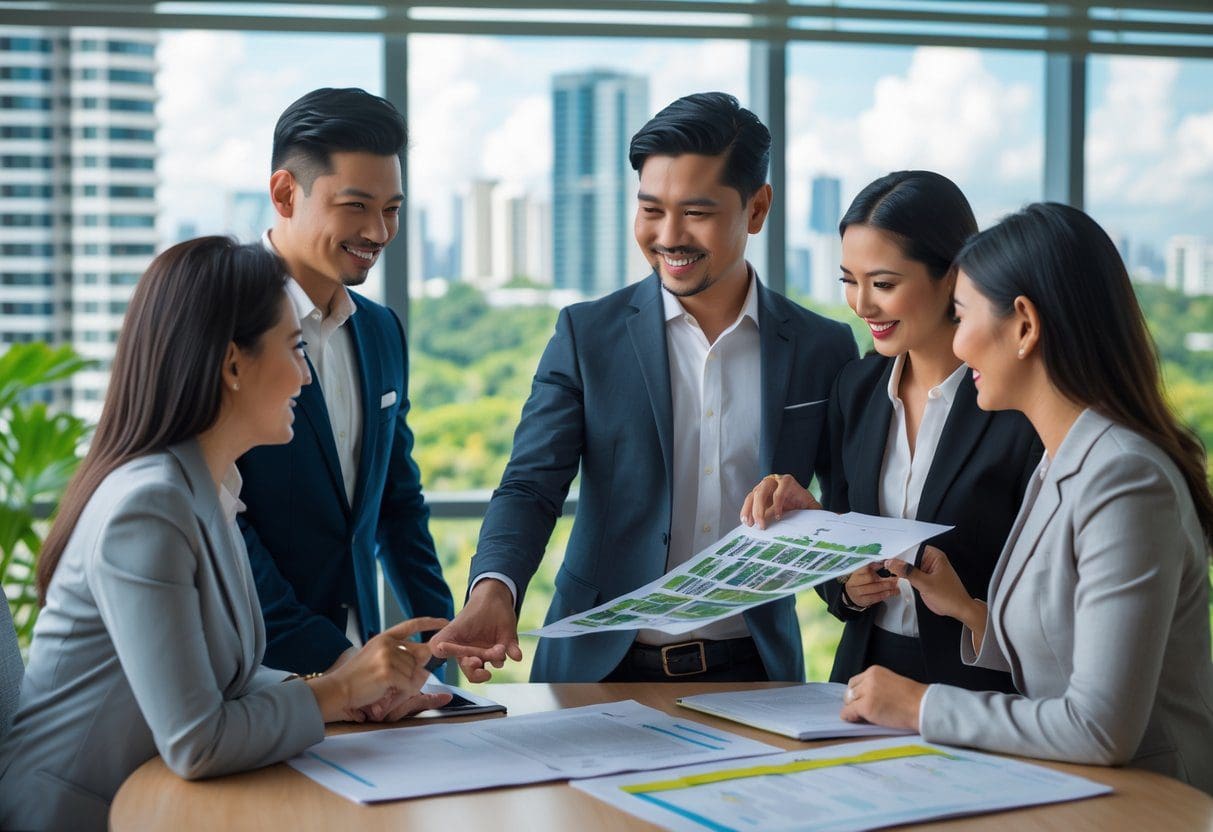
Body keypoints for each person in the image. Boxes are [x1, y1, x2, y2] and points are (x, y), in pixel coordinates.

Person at [0, 238, 451, 832]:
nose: (305, 373)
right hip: (79, 814)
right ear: (233, 365)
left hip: (158, 798)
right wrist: (337, 691)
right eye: (294, 348)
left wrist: (346, 690)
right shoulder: (149, 507)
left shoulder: (209, 486)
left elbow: (225, 680)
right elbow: (197, 741)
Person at [431, 92, 857, 683]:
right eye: (651, 209)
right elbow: (531, 485)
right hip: (594, 673)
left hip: (754, 673)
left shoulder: (823, 347)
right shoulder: (586, 335)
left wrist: (850, 582)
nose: (668, 236)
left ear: (757, 209)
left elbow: (843, 517)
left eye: (698, 213)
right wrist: (494, 589)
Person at [838, 203, 1213, 795]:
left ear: (1024, 326)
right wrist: (964, 607)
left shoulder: (1124, 478)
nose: (956, 346)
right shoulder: (1060, 460)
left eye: (961, 317)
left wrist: (920, 706)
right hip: (1066, 793)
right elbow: (1058, 658)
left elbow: (1098, 727)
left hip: (1147, 804)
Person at [741, 171, 1040, 692]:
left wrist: (970, 607)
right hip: (865, 677)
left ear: (953, 277)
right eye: (849, 281)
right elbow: (846, 546)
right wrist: (843, 577)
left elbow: (1049, 598)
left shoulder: (1013, 402)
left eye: (882, 284)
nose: (861, 305)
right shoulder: (856, 388)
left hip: (976, 687)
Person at [238, 88, 454, 678]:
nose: (380, 232)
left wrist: (441, 654)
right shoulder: (221, 318)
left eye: (392, 209)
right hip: (255, 673)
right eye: (356, 206)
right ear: (286, 193)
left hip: (369, 678)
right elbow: (219, 521)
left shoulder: (382, 331)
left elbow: (397, 505)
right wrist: (334, 662)